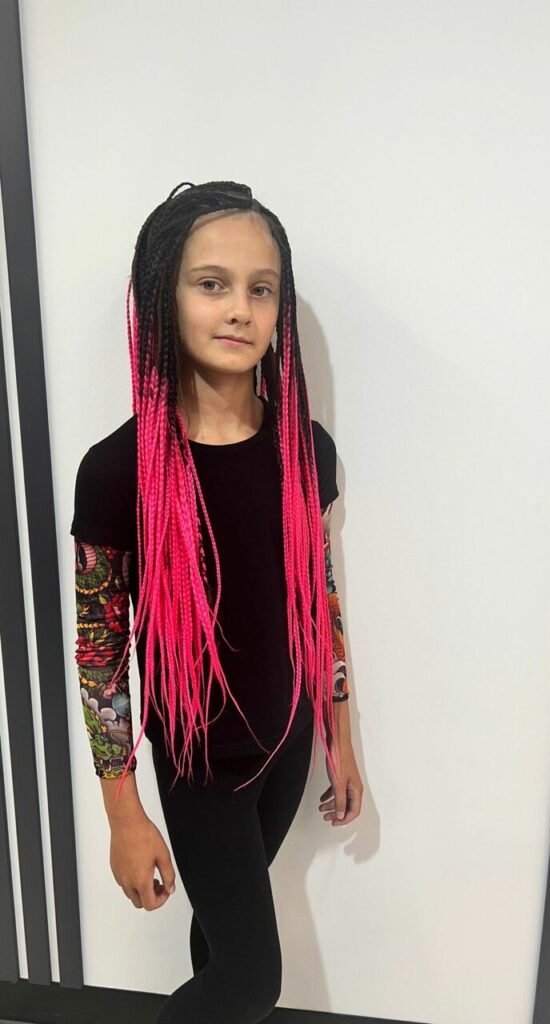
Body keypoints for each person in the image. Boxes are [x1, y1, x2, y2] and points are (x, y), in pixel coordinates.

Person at [71, 180, 363, 1023]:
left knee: (222, 947)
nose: (239, 307)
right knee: (249, 980)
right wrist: (124, 815)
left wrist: (340, 737)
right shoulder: (117, 470)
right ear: (164, 296)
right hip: (202, 762)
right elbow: (100, 656)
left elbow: (321, 600)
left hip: (288, 745)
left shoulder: (307, 451)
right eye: (211, 283)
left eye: (260, 288)